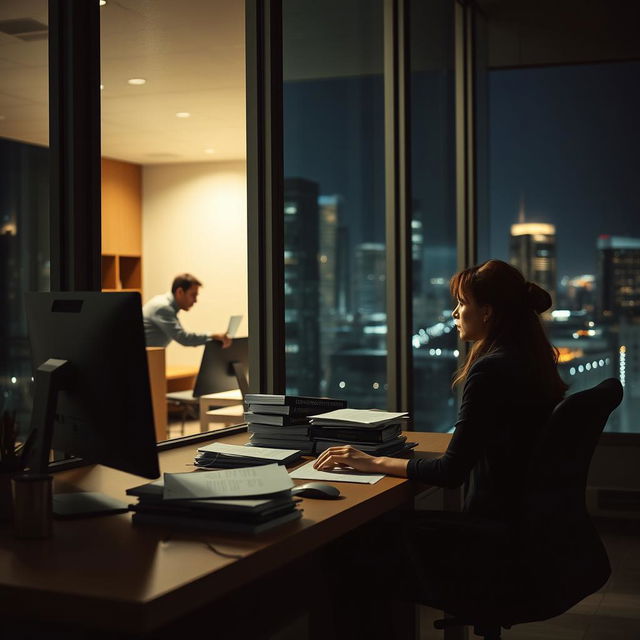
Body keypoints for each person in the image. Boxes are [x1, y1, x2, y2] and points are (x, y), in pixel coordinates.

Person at [313, 259, 568, 635]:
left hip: (489, 542)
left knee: (346, 547)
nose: (455, 312)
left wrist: (371, 461)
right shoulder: (532, 362)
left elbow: (451, 472)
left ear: (488, 311)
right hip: (524, 535)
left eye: (462, 303)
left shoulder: (490, 370)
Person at [142, 273, 232, 349]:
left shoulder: (163, 304)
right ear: (180, 292)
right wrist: (212, 336)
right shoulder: (162, 307)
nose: (195, 300)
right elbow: (184, 338)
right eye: (193, 295)